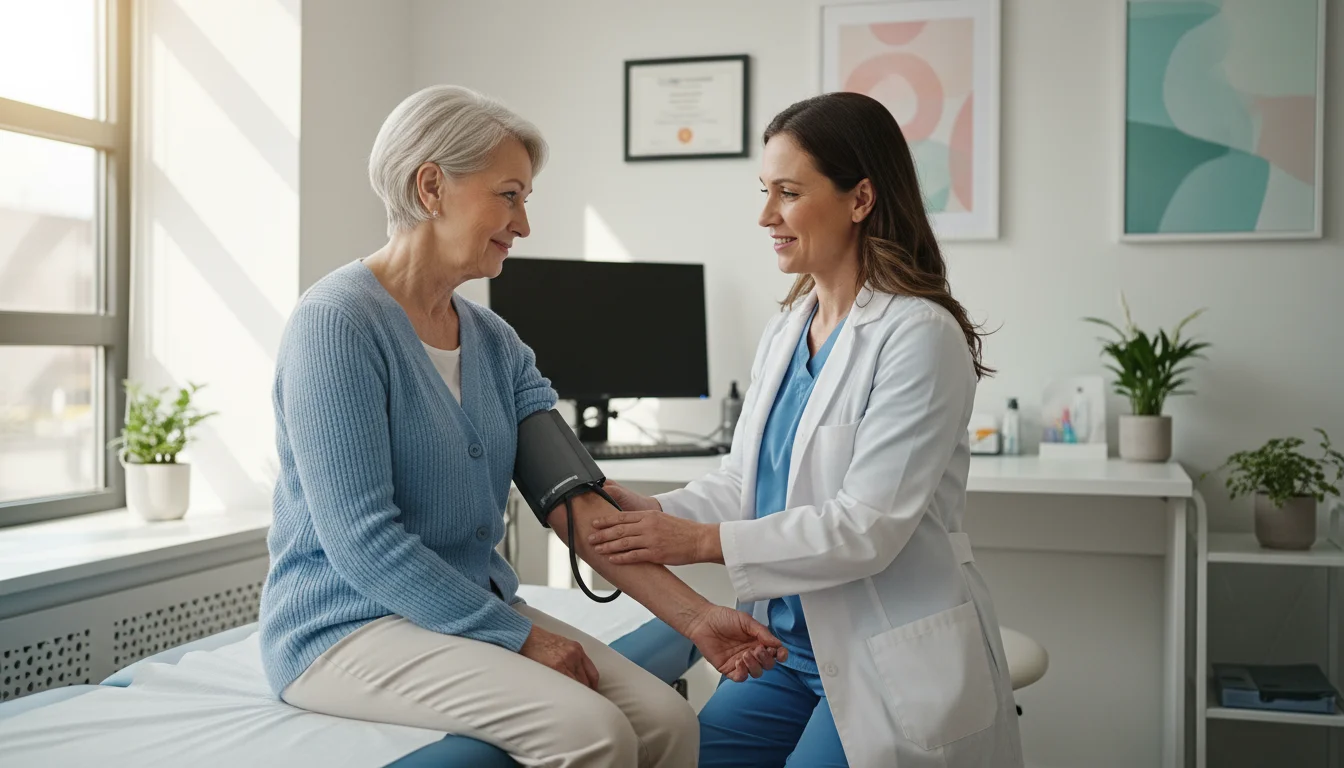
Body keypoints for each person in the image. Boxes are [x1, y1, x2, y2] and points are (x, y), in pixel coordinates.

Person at [258, 84, 783, 768]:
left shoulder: (495, 342)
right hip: (344, 627)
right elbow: (362, 543)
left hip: (456, 613)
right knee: (591, 732)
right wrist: (519, 636)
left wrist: (695, 617)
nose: (524, 224)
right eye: (510, 195)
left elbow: (577, 506)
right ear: (432, 186)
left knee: (668, 720)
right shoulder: (336, 324)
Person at [589, 92, 1026, 768]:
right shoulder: (788, 330)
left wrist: (697, 541)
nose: (766, 216)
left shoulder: (918, 334)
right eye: (765, 192)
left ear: (860, 199)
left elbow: (866, 527)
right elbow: (746, 481)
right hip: (789, 654)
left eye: (788, 193)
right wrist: (658, 514)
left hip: (883, 654)